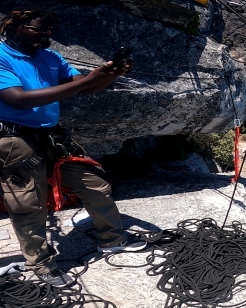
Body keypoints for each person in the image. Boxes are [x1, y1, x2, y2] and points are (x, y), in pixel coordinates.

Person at [0, 9, 147, 287]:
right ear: (13, 27)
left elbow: (85, 87)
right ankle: (41, 265)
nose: (45, 35)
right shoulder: (1, 57)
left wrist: (109, 74)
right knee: (27, 203)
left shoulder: (50, 57)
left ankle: (112, 240)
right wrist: (92, 79)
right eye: (37, 29)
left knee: (94, 184)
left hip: (50, 136)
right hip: (14, 140)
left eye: (49, 30)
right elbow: (17, 99)